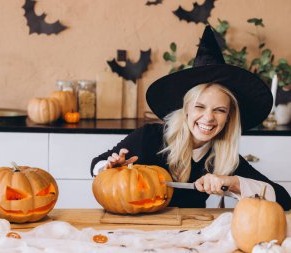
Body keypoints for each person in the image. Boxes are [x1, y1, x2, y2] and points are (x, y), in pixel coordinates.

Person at [90, 25, 291, 210]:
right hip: (139, 231)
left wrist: (234, 183)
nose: (208, 118)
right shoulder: (149, 137)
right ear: (186, 109)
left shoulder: (223, 158)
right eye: (200, 107)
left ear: (229, 117)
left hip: (190, 233)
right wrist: (109, 169)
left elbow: (284, 199)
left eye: (220, 110)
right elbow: (96, 164)